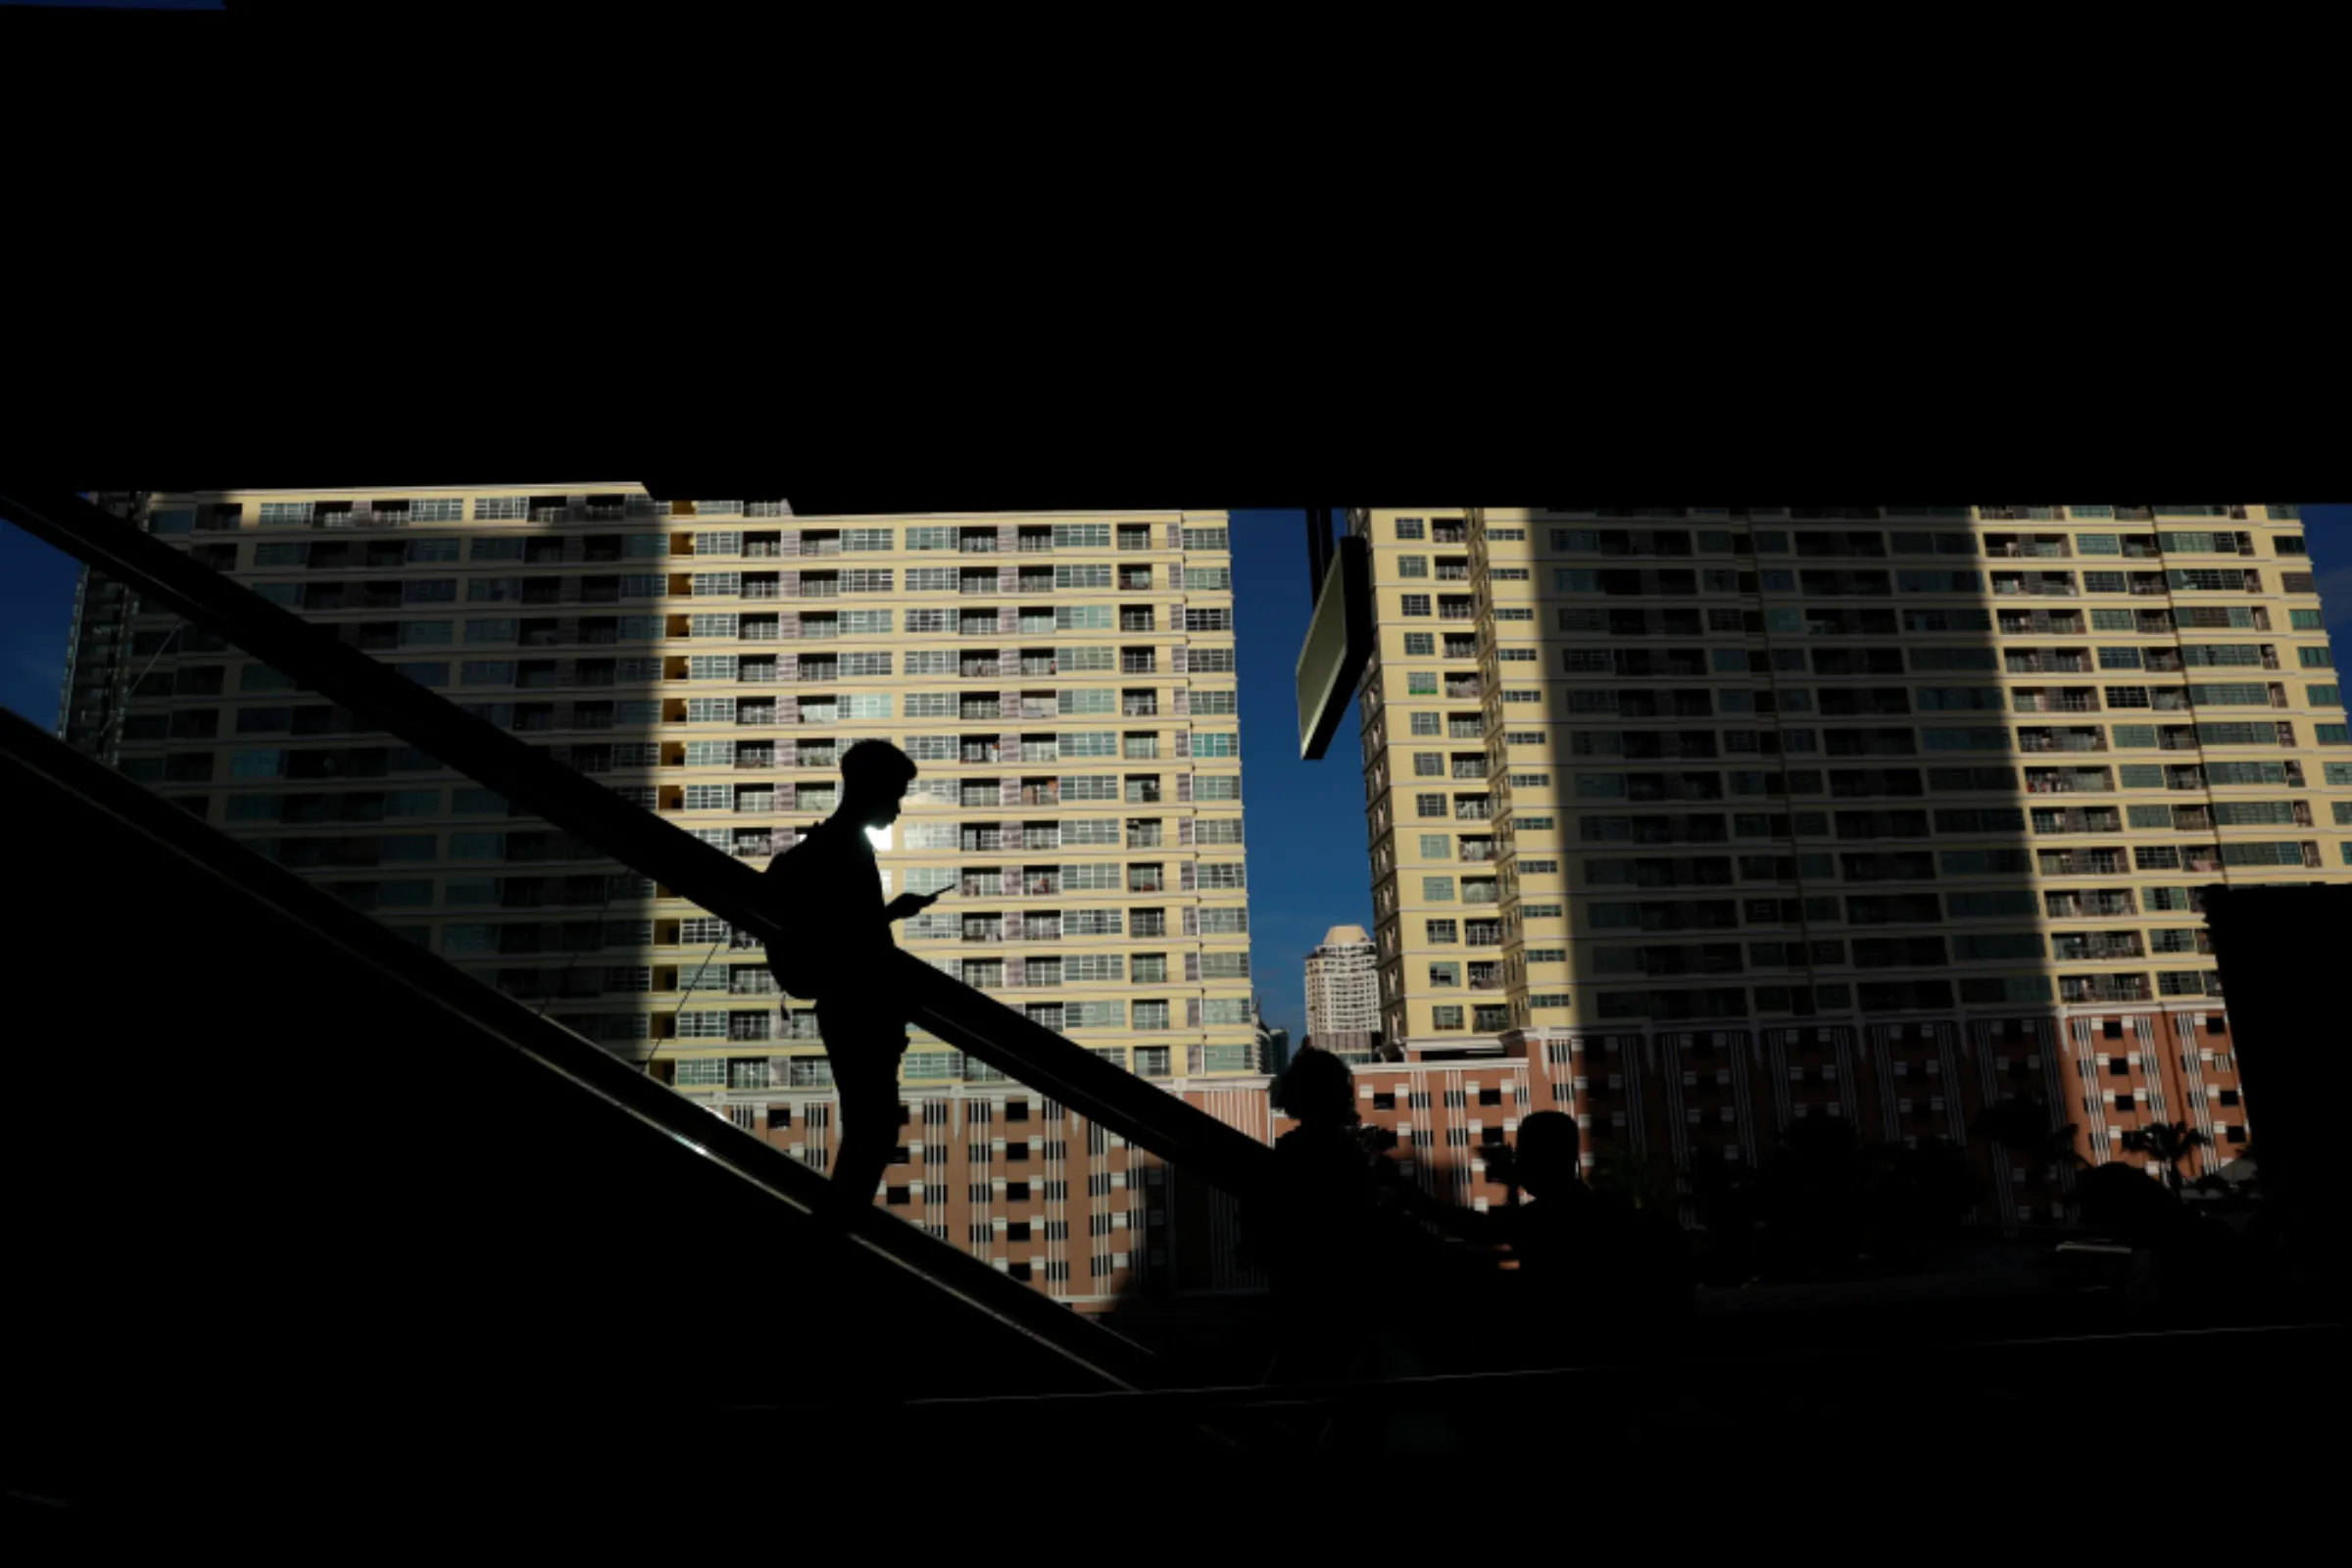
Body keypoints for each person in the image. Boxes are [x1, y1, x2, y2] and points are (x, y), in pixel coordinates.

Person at [761, 740, 943, 1221]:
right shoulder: (849, 851)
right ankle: (833, 1232)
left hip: (845, 1008)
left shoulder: (828, 846)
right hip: (857, 1011)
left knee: (869, 1128)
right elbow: (857, 945)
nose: (899, 809)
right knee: (874, 1130)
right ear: (872, 790)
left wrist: (887, 913)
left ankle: (836, 1230)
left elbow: (838, 933)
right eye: (896, 796)